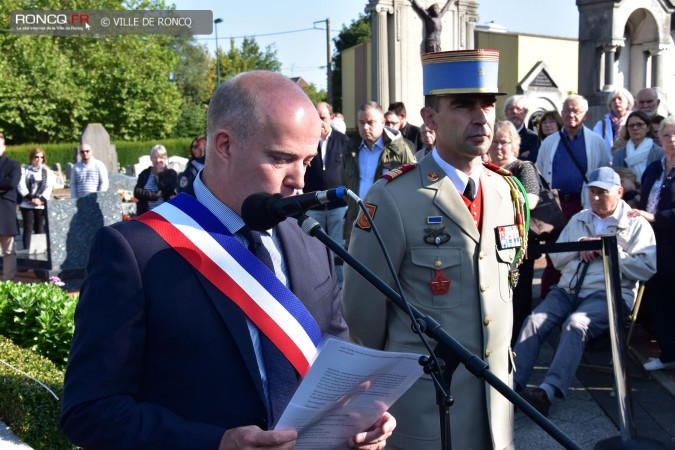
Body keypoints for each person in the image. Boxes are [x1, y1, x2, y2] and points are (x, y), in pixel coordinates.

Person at [60, 70, 396, 450]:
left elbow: (331, 365)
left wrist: (358, 422)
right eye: (282, 159)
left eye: (306, 160)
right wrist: (214, 443)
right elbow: (89, 411)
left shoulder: (310, 242)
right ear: (224, 145)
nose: (300, 181)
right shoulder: (135, 250)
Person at [343, 49, 526, 450]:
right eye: (462, 105)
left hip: (495, 405)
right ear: (429, 119)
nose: (481, 117)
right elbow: (363, 312)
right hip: (427, 407)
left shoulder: (504, 189)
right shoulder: (392, 198)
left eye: (487, 104)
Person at [515, 167, 656, 416]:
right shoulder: (580, 218)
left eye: (602, 192)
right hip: (568, 289)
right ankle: (512, 386)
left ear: (620, 192)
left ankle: (547, 391)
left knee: (576, 324)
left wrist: (607, 251)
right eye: (592, 192)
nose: (596, 198)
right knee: (533, 321)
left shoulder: (637, 224)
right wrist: (579, 247)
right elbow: (557, 261)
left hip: (610, 294)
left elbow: (646, 269)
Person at [536, 94, 610, 298]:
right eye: (567, 110)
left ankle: (575, 297)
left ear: (585, 115)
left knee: (580, 251)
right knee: (553, 255)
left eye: (576, 111)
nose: (571, 115)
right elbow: (540, 173)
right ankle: (548, 300)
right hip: (556, 206)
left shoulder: (597, 142)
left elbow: (602, 175)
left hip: (582, 204)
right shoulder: (549, 142)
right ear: (561, 112)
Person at [628, 116, 675, 371]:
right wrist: (631, 207)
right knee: (659, 300)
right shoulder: (655, 168)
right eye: (667, 134)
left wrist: (655, 217)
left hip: (672, 241)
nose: (672, 140)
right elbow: (644, 198)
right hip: (653, 244)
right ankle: (667, 354)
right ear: (659, 138)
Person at [488, 120, 541, 346]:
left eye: (505, 142)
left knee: (517, 298)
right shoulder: (484, 169)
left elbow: (531, 201)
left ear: (515, 145)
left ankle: (516, 345)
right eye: (495, 142)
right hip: (489, 243)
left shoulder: (522, 168)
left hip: (516, 245)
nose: (499, 147)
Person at [342, 101, 415, 247]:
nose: (365, 127)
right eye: (361, 122)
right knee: (355, 266)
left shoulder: (399, 150)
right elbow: (344, 183)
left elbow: (411, 186)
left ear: (383, 122)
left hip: (388, 222)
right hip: (357, 220)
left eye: (370, 122)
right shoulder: (350, 149)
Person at [304, 102, 350, 282]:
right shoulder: (307, 139)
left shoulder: (343, 141)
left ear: (331, 118)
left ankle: (339, 286)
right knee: (315, 248)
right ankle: (319, 284)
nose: (319, 122)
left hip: (338, 205)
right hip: (313, 204)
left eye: (322, 118)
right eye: (315, 117)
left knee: (338, 247)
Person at [17, 148, 56, 251]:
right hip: (27, 203)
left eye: (41, 157)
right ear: (31, 158)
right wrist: (31, 199)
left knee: (40, 227)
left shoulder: (47, 171)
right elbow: (21, 186)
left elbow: (49, 186)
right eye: (36, 157)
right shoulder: (25, 170)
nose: (39, 159)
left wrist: (41, 199)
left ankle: (40, 251)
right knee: (28, 228)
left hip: (41, 203)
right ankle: (26, 251)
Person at [611, 111, 664, 181]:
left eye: (640, 124)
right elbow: (616, 180)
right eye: (631, 125)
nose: (635, 128)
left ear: (648, 127)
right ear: (627, 129)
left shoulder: (660, 152)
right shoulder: (619, 155)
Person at [133, 144, 178, 215]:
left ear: (165, 158)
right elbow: (137, 192)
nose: (158, 160)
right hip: (146, 215)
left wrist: (160, 173)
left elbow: (169, 190)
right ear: (151, 159)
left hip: (166, 215)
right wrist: (154, 195)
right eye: (155, 157)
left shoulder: (171, 173)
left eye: (161, 157)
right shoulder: (145, 173)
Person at [0, 133, 21, 281]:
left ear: (4, 147)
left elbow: (11, 183)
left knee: (8, 251)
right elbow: (5, 184)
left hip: (5, 212)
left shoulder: (13, 165)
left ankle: (8, 282)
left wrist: (5, 185)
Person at [592, 87, 634, 158]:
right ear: (610, 105)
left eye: (620, 99)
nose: (616, 102)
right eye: (613, 100)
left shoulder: (635, 122)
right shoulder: (601, 125)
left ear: (628, 103)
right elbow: (594, 147)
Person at [504, 95, 541, 162]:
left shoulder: (532, 138)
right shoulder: (498, 135)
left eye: (518, 109)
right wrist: (521, 156)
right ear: (506, 113)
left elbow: (530, 162)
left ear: (525, 113)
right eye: (511, 108)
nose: (514, 112)